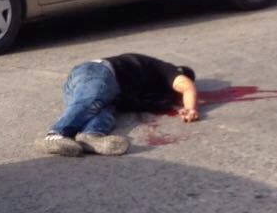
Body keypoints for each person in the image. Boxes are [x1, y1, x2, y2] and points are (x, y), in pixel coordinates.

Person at [38, 53, 199, 157]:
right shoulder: (166, 70)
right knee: (93, 100)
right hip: (97, 71)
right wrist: (190, 108)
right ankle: (55, 134)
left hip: (106, 91)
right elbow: (186, 86)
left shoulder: (151, 91)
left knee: (104, 111)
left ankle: (90, 136)